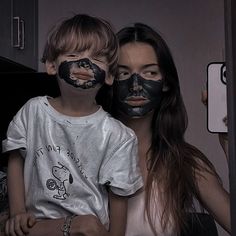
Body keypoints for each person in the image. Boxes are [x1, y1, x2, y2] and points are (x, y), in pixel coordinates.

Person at [1, 14, 143, 236]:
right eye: (74, 54)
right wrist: (18, 212)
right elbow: (15, 159)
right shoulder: (33, 111)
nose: (84, 63)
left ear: (109, 76)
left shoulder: (117, 136)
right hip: (36, 229)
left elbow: (119, 198)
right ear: (51, 65)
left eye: (97, 58)